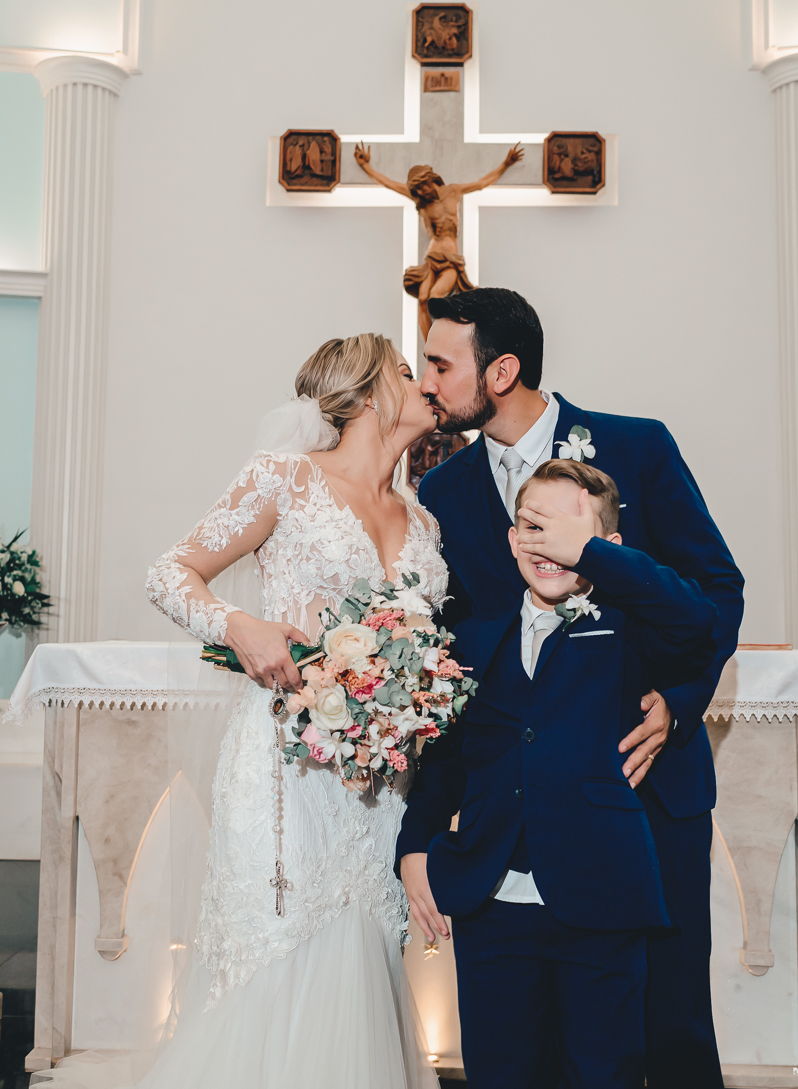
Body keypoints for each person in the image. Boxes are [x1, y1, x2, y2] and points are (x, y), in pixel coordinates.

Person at [49, 335, 445, 1089]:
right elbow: (171, 573)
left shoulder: (423, 522)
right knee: (278, 954)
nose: (424, 384)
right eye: (406, 370)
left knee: (363, 958)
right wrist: (241, 626)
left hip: (381, 786)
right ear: (365, 393)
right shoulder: (286, 480)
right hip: (287, 766)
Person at [411, 288, 745, 1089]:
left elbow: (715, 589)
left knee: (663, 1029)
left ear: (501, 371)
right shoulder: (443, 492)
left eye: (439, 364)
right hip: (521, 812)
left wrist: (679, 701)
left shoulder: (637, 448)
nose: (426, 382)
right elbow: (455, 668)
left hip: (644, 787)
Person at [353, 141, 523, 337]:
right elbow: (389, 184)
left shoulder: (454, 191)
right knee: (423, 299)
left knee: (436, 296)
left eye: (423, 188)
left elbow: (481, 183)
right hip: (432, 256)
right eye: (418, 191)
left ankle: (446, 338)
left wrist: (506, 164)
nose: (422, 193)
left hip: (451, 258)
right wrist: (365, 166)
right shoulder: (422, 202)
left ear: (430, 180)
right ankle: (428, 349)